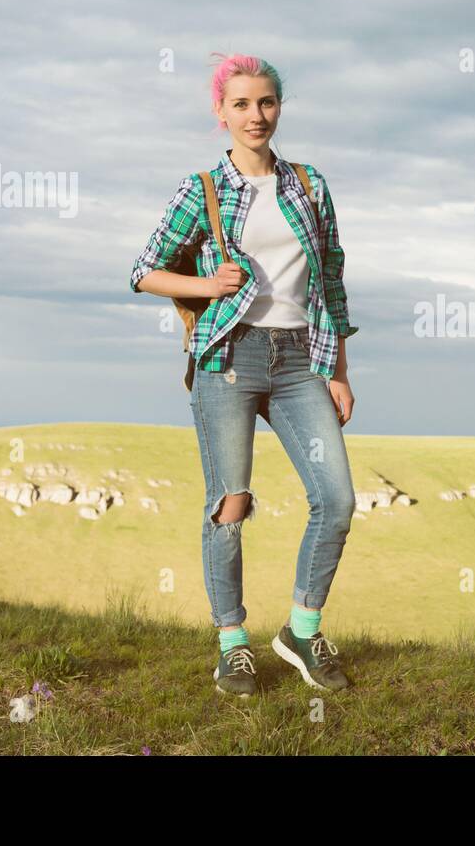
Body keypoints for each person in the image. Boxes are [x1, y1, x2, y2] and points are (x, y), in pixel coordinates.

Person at [128, 53, 359, 696]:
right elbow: (144, 270)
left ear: (278, 107)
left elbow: (332, 282)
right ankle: (233, 643)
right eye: (241, 105)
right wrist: (207, 281)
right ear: (220, 113)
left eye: (266, 103)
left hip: (300, 360)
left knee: (336, 499)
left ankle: (302, 631)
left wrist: (338, 369)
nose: (255, 115)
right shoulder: (201, 188)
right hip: (227, 358)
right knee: (231, 504)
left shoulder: (309, 185)